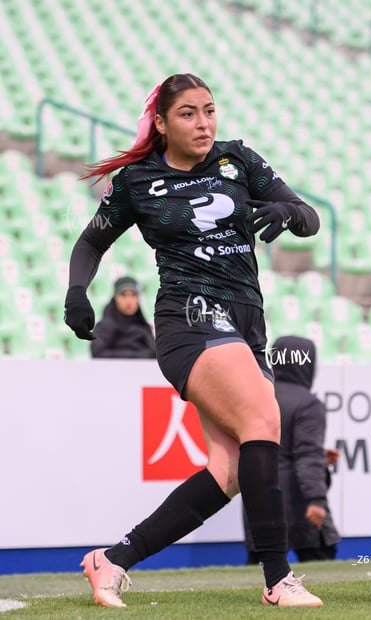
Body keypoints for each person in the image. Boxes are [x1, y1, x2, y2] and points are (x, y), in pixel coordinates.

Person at [64, 73, 322, 609]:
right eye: (188, 113)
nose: (203, 123)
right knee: (263, 420)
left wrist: (285, 212)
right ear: (161, 122)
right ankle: (278, 578)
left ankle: (111, 561)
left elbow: (309, 219)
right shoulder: (139, 181)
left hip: (248, 324)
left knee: (229, 471)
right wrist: (77, 293)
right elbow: (91, 242)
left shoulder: (237, 159)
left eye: (209, 110)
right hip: (190, 317)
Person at [244, 336, 340, 564]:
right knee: (322, 565)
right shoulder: (307, 403)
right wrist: (316, 499)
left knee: (260, 570)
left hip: (258, 495)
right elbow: (307, 456)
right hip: (297, 502)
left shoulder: (257, 397)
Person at [90, 275, 156, 359]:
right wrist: (139, 356)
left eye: (133, 295)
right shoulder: (105, 326)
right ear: (115, 298)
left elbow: (155, 355)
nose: (129, 301)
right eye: (124, 295)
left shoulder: (144, 327)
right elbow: (98, 353)